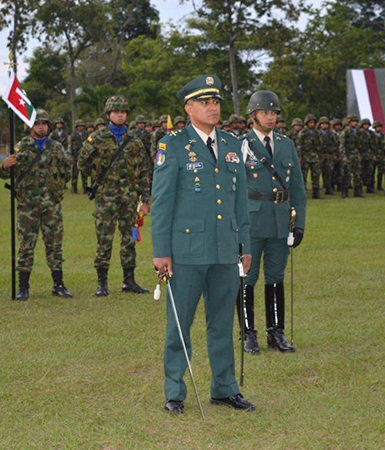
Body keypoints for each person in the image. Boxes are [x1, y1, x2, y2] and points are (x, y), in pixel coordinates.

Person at [152, 74, 255, 414]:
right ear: (189, 108)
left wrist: (245, 245)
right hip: (187, 252)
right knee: (179, 324)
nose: (213, 108)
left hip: (225, 249)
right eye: (205, 102)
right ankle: (175, 392)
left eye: (216, 102)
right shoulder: (172, 145)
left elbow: (239, 200)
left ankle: (224, 388)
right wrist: (161, 251)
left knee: (222, 323)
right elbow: (162, 202)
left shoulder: (231, 144)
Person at [239, 90, 306, 355]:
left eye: (274, 113)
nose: (270, 117)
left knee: (276, 276)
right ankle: (248, 333)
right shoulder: (241, 145)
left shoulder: (286, 145)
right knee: (247, 276)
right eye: (265, 112)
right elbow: (232, 189)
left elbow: (297, 187)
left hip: (280, 220)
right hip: (251, 221)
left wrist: (299, 223)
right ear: (253, 115)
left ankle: (276, 332)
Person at [78, 96, 151, 296]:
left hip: (130, 199)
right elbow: (82, 163)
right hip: (106, 198)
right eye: (116, 112)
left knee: (130, 238)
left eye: (123, 112)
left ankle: (129, 281)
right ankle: (102, 283)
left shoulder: (134, 141)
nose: (120, 115)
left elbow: (143, 172)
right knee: (104, 239)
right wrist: (97, 176)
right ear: (108, 114)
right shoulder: (97, 138)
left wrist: (145, 200)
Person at [0, 109, 73, 300]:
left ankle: (58, 285)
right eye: (37, 124)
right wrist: (4, 166)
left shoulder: (56, 147)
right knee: (26, 247)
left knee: (54, 246)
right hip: (28, 206)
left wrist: (56, 186)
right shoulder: (20, 147)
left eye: (44, 124)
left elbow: (67, 171)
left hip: (52, 205)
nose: (41, 127)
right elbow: (7, 174)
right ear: (30, 127)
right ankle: (23, 288)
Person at [296, 114, 321, 199]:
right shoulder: (302, 133)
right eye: (310, 122)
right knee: (304, 175)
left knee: (316, 175)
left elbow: (319, 144)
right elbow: (299, 146)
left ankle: (316, 193)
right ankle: (303, 193)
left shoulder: (316, 133)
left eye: (313, 122)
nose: (312, 124)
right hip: (305, 156)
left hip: (315, 156)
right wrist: (300, 158)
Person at [339, 114, 363, 198]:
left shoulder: (358, 132)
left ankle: (357, 191)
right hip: (348, 154)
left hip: (356, 154)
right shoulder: (345, 132)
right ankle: (344, 192)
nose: (354, 123)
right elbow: (342, 145)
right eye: (352, 121)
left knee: (357, 173)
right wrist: (344, 156)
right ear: (349, 122)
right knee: (346, 174)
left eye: (355, 121)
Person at [69, 119, 88, 194]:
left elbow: (90, 142)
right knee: (74, 173)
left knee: (84, 173)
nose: (80, 127)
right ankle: (74, 188)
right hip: (75, 156)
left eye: (82, 126)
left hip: (84, 156)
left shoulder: (86, 134)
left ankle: (85, 188)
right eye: (79, 126)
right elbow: (70, 146)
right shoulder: (73, 135)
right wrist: (71, 156)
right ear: (76, 127)